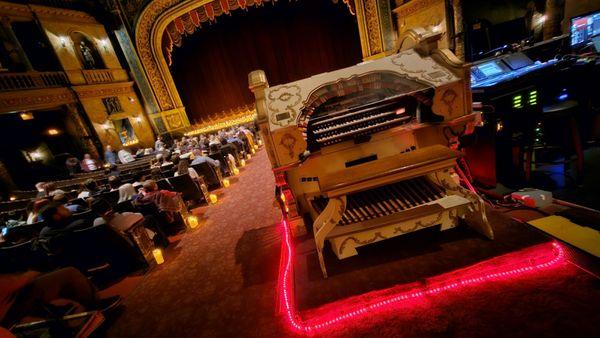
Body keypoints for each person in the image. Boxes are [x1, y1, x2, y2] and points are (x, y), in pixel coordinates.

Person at [0, 267, 121, 328]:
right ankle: (96, 307)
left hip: (13, 301)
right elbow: (9, 284)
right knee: (69, 273)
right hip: (11, 309)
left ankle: (83, 315)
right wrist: (28, 274)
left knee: (51, 279)